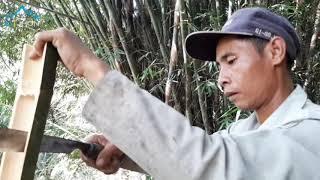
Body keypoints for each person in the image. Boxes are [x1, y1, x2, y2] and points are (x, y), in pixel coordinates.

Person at [30, 7, 320, 180]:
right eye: (219, 66)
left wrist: (88, 66)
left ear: (276, 51)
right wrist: (125, 148)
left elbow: (207, 164)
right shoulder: (246, 130)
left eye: (231, 61)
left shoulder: (309, 133)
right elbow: (191, 154)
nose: (221, 79)